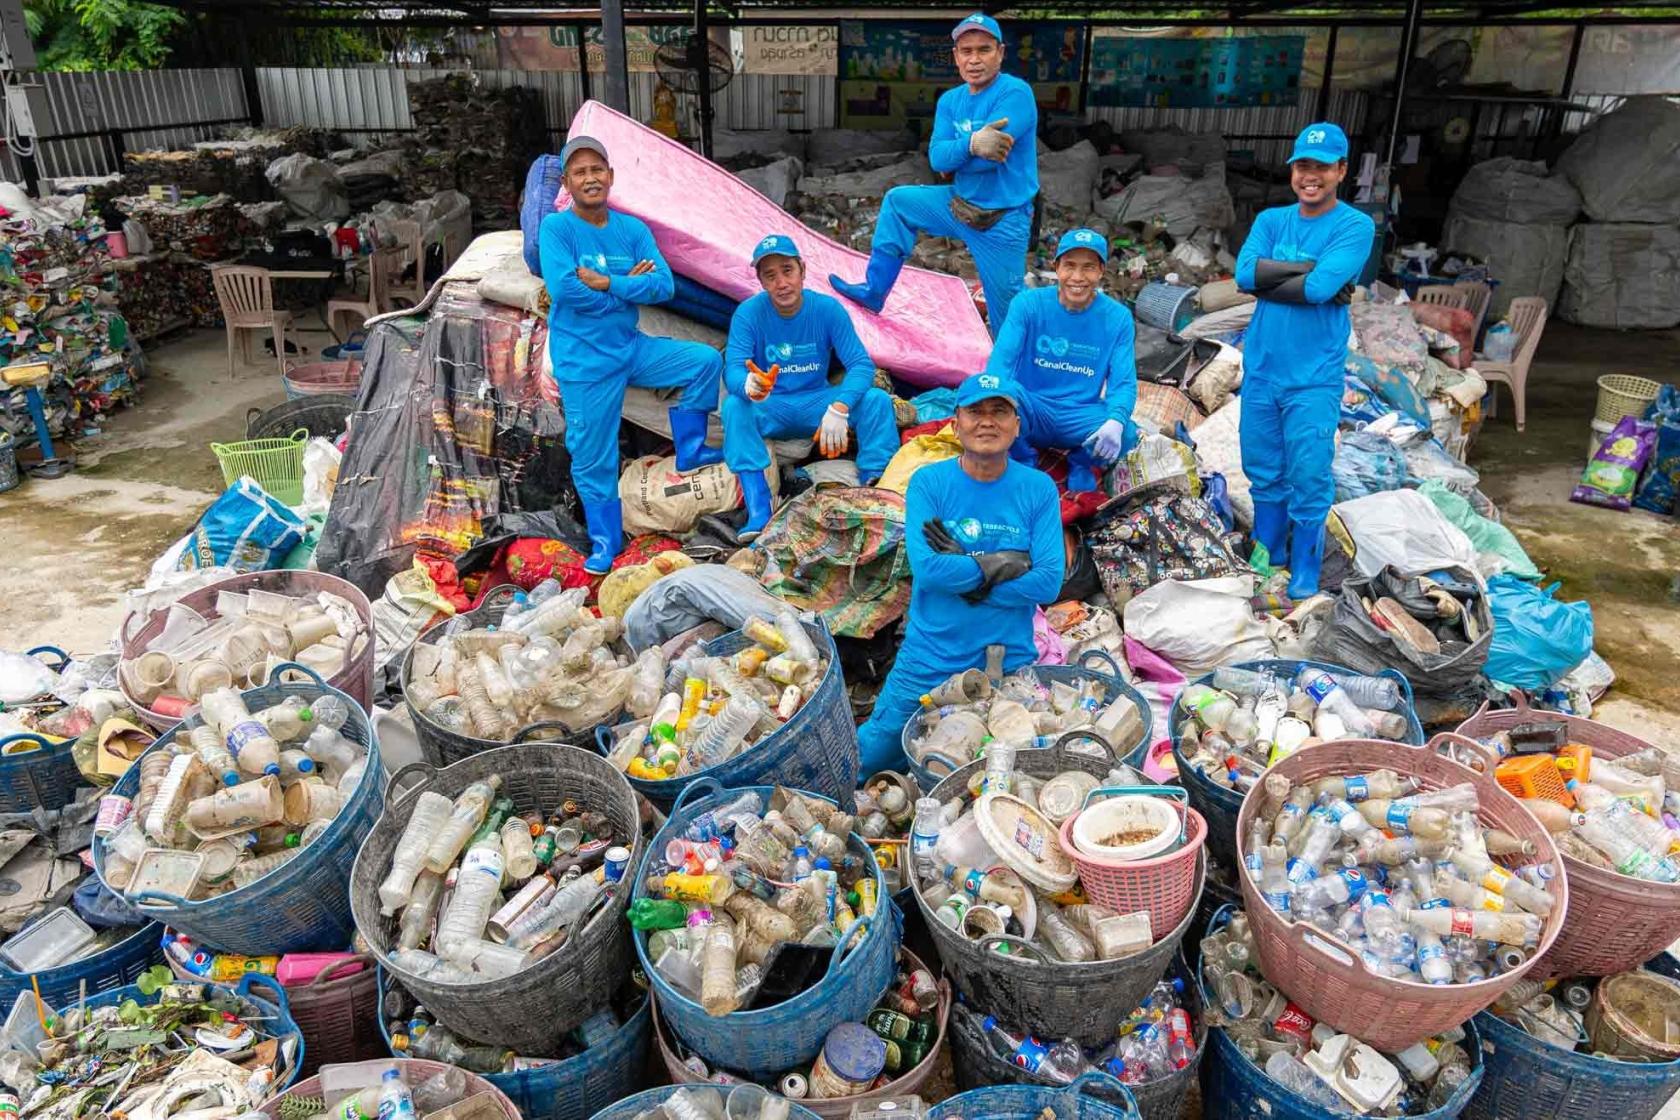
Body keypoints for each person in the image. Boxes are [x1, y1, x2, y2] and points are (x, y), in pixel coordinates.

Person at [855, 372, 1065, 773]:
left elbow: (1049, 581)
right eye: (976, 411)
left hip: (1007, 663)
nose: (987, 421)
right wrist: (1001, 562)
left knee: (997, 776)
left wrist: (967, 576)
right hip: (931, 657)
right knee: (868, 759)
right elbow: (930, 570)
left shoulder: (1037, 488)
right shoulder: (929, 483)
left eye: (999, 411)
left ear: (1016, 424)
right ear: (956, 423)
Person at [538, 135, 725, 573]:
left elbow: (665, 286)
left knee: (704, 362)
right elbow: (565, 289)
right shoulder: (557, 229)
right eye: (580, 172)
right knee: (593, 454)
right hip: (585, 363)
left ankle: (692, 449)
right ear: (567, 182)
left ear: (611, 177)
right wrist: (627, 289)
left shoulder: (632, 230)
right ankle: (605, 541)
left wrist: (610, 283)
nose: (590, 178)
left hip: (630, 347)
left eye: (597, 169)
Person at [829, 13, 1038, 337]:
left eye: (984, 50)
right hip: (958, 204)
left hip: (1002, 220)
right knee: (899, 202)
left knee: (1006, 322)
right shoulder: (950, 101)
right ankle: (874, 292)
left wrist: (957, 155)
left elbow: (991, 159)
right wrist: (971, 144)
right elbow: (936, 157)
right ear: (955, 56)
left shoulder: (1015, 93)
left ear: (1000, 52)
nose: (974, 59)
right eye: (966, 51)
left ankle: (1012, 382)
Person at [1235, 122, 1373, 599]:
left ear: (1340, 170)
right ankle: (1267, 549)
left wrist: (1278, 278)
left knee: (1309, 470)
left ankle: (1305, 563)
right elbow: (1242, 275)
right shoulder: (1271, 221)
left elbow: (1316, 291)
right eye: (1302, 166)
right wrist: (1309, 271)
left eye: (1321, 167)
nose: (1309, 176)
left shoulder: (1355, 225)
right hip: (1262, 368)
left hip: (1313, 377)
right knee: (1262, 466)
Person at [721, 234, 900, 538]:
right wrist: (749, 385)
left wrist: (840, 406)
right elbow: (734, 368)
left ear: (802, 269)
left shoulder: (827, 310)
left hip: (817, 402)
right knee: (735, 407)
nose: (781, 282)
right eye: (770, 275)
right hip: (773, 404)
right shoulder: (749, 313)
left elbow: (860, 364)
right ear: (761, 281)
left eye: (787, 270)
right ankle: (759, 509)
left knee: (876, 401)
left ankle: (876, 486)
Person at [986, 227, 1137, 492]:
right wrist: (997, 398)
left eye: (1089, 267)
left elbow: (1123, 383)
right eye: (1069, 266)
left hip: (1078, 414)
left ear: (1101, 271)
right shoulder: (1028, 304)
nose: (1077, 277)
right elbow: (1000, 366)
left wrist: (1116, 419)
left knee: (1126, 433)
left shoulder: (1118, 318)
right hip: (1031, 408)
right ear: (1056, 268)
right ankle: (1023, 457)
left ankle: (1080, 461)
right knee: (996, 391)